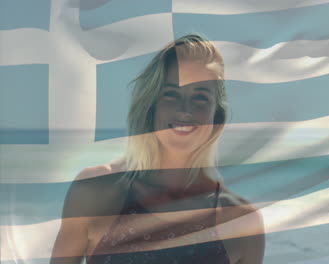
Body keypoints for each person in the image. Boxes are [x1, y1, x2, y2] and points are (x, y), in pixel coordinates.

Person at [50, 34, 265, 264]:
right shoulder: (95, 192)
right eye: (171, 94)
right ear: (151, 107)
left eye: (200, 97)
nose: (185, 109)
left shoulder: (242, 222)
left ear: (217, 116)